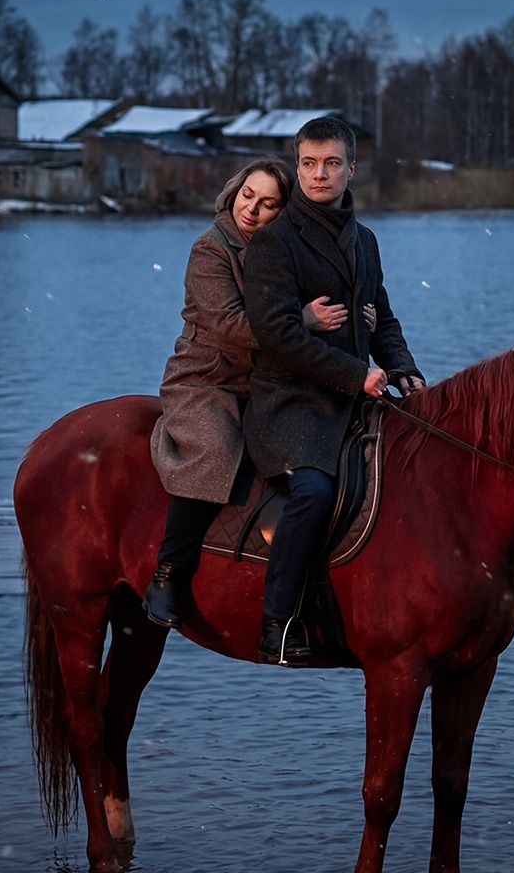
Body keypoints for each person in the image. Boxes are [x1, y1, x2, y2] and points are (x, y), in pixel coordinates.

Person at [144, 157, 369, 630]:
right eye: (248, 195)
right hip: (208, 377)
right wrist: (299, 322)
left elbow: (326, 298)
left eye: (268, 204)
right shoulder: (211, 249)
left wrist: (356, 320)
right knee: (218, 449)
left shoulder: (284, 247)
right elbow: (228, 324)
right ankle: (168, 572)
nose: (252, 209)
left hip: (268, 380)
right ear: (234, 191)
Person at [242, 115, 425, 664]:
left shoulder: (364, 240)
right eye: (308, 164)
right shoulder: (275, 242)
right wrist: (356, 373)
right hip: (289, 402)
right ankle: (279, 622)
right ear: (298, 167)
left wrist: (402, 368)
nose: (318, 175)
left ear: (351, 169)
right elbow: (277, 336)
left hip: (353, 397)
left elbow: (382, 319)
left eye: (330, 164)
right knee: (315, 492)